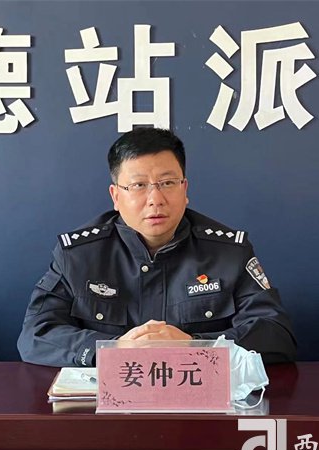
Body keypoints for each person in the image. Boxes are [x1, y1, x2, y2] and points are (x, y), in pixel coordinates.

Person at [18, 128, 296, 367]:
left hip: (198, 399)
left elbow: (275, 335)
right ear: (116, 196)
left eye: (167, 183)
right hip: (107, 403)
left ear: (185, 189)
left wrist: (195, 346)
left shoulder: (229, 252)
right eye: (138, 185)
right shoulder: (79, 255)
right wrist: (112, 350)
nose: (155, 198)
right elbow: (35, 335)